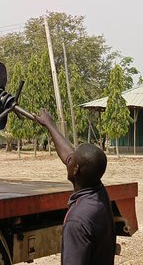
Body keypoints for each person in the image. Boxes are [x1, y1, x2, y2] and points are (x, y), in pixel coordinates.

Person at [33, 109, 115, 264]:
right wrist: (49, 125)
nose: (67, 161)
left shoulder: (77, 221)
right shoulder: (98, 193)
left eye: (71, 162)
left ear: (76, 170)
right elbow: (69, 155)